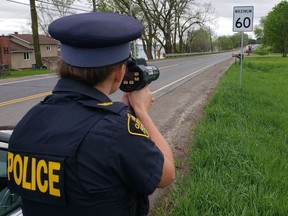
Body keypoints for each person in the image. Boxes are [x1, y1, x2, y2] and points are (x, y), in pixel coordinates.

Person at [7, 12, 175, 216]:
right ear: (119, 73)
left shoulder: (28, 122)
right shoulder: (115, 131)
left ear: (64, 66)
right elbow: (167, 174)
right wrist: (141, 111)